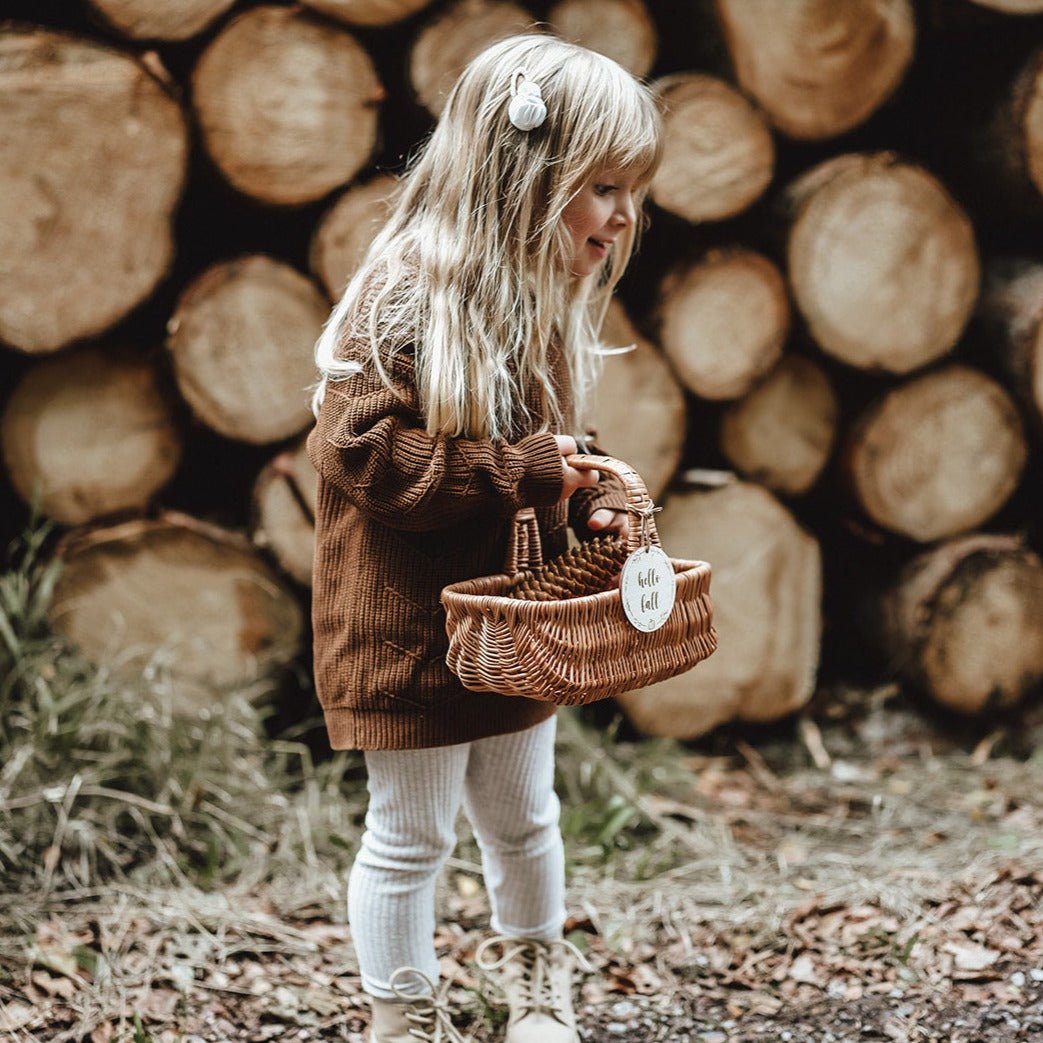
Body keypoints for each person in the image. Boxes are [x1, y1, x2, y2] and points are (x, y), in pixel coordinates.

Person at [306, 31, 663, 1043]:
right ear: (523, 176)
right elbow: (366, 460)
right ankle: (403, 1014)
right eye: (601, 185)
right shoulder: (404, 296)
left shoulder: (533, 301)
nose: (623, 215)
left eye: (631, 189)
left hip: (512, 627)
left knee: (523, 817)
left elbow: (535, 454)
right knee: (410, 832)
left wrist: (581, 496)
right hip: (407, 630)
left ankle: (536, 983)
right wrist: (527, 471)